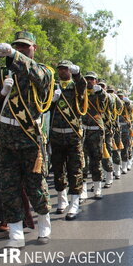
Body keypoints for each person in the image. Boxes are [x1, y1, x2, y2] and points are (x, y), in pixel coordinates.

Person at [0, 31, 54, 248]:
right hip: (6, 139)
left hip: (29, 138)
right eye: (17, 46)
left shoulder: (42, 70)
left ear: (34, 48)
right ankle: (16, 232)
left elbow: (41, 78)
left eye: (25, 46)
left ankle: (44, 222)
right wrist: (2, 94)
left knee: (36, 185)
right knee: (9, 186)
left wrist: (14, 55)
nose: (21, 49)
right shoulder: (3, 74)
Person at [49, 60, 87, 220]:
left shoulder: (75, 86)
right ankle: (61, 200)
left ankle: (74, 204)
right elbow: (43, 105)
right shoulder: (54, 87)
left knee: (75, 170)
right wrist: (51, 100)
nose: (63, 71)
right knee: (58, 170)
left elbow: (83, 86)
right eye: (60, 69)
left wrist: (78, 74)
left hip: (73, 136)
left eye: (66, 69)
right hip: (56, 135)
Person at [81, 72, 107, 200]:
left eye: (92, 79)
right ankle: (83, 191)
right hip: (84, 130)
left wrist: (101, 91)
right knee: (83, 162)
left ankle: (97, 189)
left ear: (96, 81)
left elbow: (104, 102)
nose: (89, 81)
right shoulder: (81, 92)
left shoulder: (99, 93)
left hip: (96, 130)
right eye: (87, 79)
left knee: (96, 160)